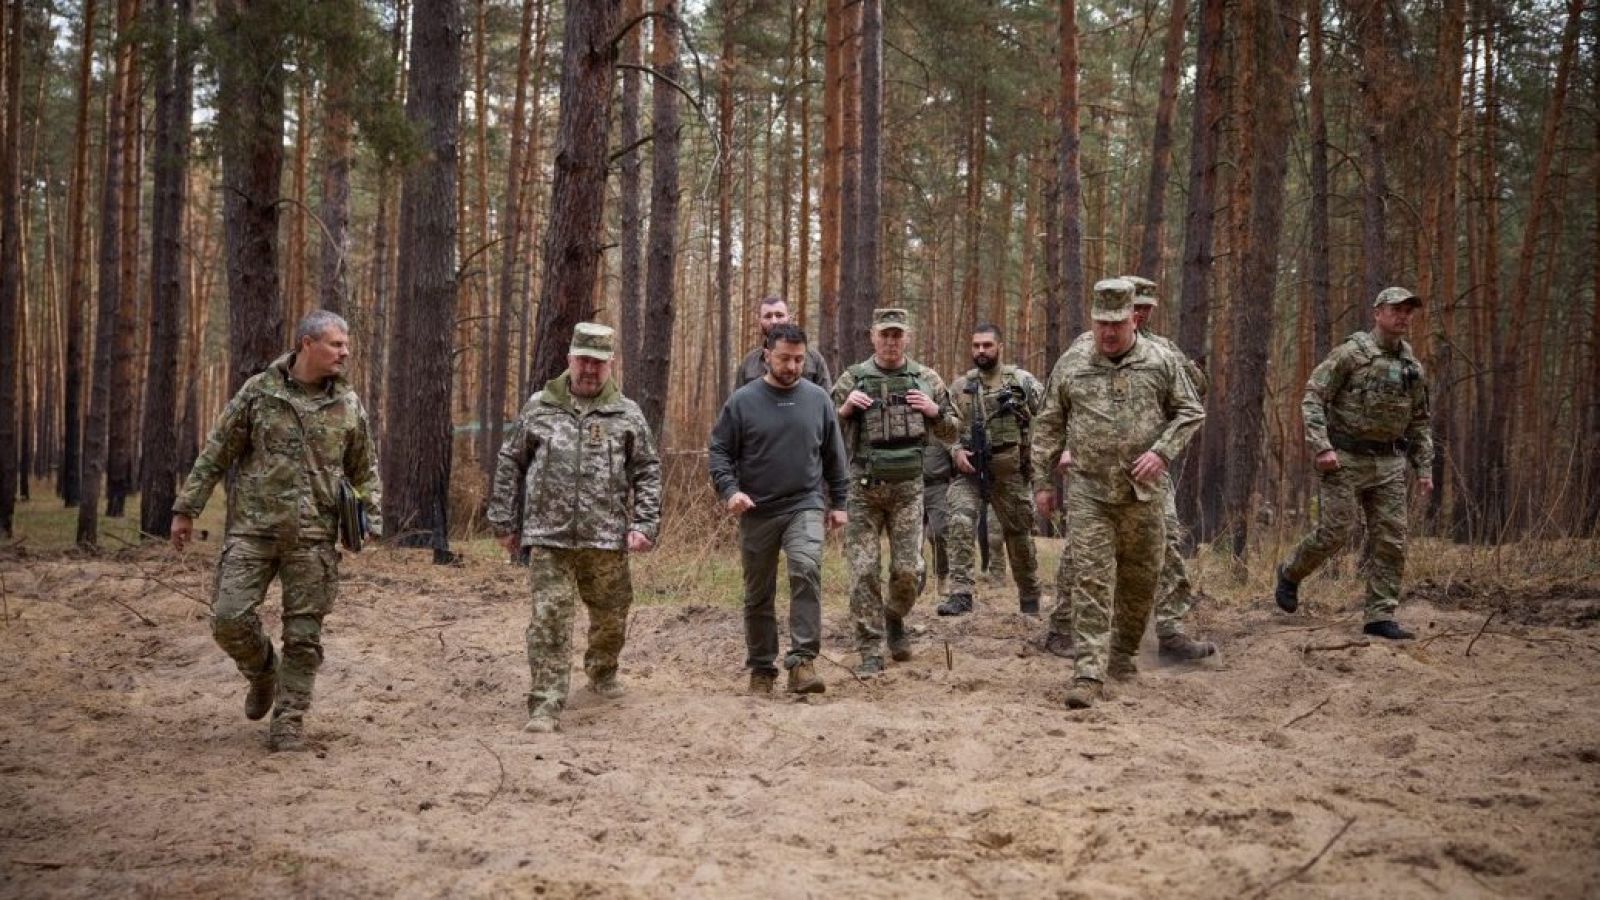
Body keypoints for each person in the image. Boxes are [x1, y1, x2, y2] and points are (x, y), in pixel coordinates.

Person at [171, 310, 382, 752]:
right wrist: (186, 508)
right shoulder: (259, 393)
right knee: (228, 619)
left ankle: (289, 720)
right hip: (253, 530)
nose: (345, 352)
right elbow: (217, 451)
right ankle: (263, 671)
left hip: (313, 537)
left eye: (346, 345)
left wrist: (368, 521)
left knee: (304, 637)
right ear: (307, 344)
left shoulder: (348, 404)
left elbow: (365, 470)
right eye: (335, 344)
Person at [1031, 280, 1205, 709]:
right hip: (1090, 489)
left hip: (1143, 493)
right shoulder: (1073, 363)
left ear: (1134, 319)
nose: (1108, 333)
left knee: (1139, 581)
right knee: (1092, 578)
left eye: (1117, 324)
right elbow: (1048, 424)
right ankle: (1088, 673)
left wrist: (1162, 453)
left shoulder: (1161, 360)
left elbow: (1191, 410)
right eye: (1100, 323)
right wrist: (1042, 481)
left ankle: (1123, 656)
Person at [487, 323, 662, 734]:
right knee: (549, 618)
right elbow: (510, 462)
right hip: (549, 536)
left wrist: (645, 523)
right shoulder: (539, 407)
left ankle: (602, 673)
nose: (589, 369)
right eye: (583, 360)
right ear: (569, 359)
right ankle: (545, 703)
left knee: (611, 615)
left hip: (606, 537)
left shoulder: (627, 413)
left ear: (610, 365)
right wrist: (502, 520)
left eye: (598, 363)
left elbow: (648, 471)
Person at [1275, 287, 1433, 640]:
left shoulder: (1412, 367)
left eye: (1409, 311)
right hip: (1344, 459)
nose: (1403, 316)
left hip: (1389, 462)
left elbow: (1420, 421)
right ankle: (1289, 572)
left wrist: (1423, 467)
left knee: (1392, 539)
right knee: (1336, 532)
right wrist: (1321, 447)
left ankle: (1379, 615)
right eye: (1396, 309)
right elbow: (1314, 396)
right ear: (1378, 313)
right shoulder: (1351, 354)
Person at [709, 323, 850, 695]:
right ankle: (761, 668)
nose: (791, 366)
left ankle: (802, 662)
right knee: (758, 592)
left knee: (806, 569)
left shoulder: (818, 399)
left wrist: (840, 502)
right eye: (785, 358)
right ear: (766, 354)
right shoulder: (743, 401)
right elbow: (719, 451)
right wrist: (730, 491)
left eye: (799, 359)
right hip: (757, 508)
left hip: (804, 502)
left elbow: (835, 455)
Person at [832, 308, 959, 675]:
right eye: (884, 335)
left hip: (908, 490)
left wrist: (935, 411)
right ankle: (870, 647)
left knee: (909, 570)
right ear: (872, 336)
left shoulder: (926, 378)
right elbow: (823, 430)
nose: (890, 342)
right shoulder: (853, 378)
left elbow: (952, 432)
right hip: (863, 489)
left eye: (897, 335)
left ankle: (893, 617)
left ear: (908, 337)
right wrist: (844, 409)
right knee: (863, 570)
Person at [1123, 276, 1216, 661]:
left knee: (1168, 541)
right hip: (1099, 465)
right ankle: (1066, 629)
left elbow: (1195, 396)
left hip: (1152, 463)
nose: (1141, 314)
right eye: (1135, 305)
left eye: (1146, 307)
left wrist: (1190, 372)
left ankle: (1170, 633)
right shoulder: (1090, 347)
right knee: (1084, 550)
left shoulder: (1164, 350)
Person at [936, 324, 1046, 617]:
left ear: (1000, 346)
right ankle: (960, 593)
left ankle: (1030, 597)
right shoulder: (960, 386)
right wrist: (956, 451)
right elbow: (946, 427)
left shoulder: (1021, 381)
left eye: (987, 345)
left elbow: (1049, 416)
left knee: (1019, 536)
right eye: (976, 346)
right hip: (970, 472)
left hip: (1010, 472)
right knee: (959, 520)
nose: (981, 351)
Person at [733, 296, 833, 392]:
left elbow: (827, 401)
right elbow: (737, 404)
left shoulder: (813, 359)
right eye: (768, 316)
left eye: (779, 315)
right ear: (760, 321)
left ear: (789, 318)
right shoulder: (749, 363)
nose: (774, 321)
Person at [921, 441, 954, 597]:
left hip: (938, 487)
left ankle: (943, 575)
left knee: (940, 532)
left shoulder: (942, 429)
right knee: (913, 538)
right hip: (913, 486)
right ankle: (916, 579)